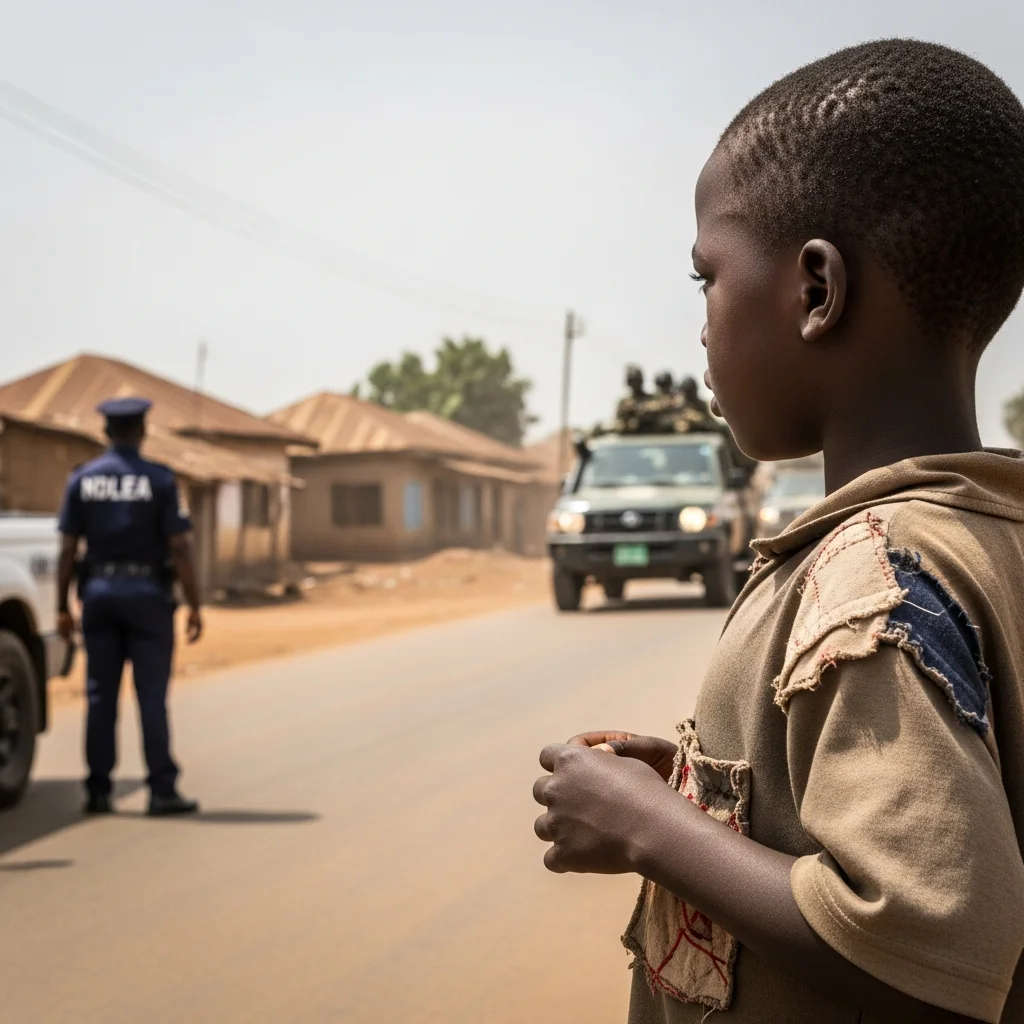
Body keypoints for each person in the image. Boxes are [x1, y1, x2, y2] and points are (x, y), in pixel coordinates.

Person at [533, 39, 1024, 1024]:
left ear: (815, 292)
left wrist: (649, 828)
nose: (702, 326)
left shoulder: (873, 575)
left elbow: (921, 949)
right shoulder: (987, 534)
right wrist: (719, 798)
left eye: (705, 278)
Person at [56, 397, 203, 817]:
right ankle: (161, 791)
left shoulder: (82, 480)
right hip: (147, 597)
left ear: (106, 432)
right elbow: (179, 546)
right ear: (143, 431)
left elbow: (68, 548)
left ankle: (99, 791)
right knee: (151, 695)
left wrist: (62, 606)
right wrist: (195, 604)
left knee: (100, 696)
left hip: (98, 595)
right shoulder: (159, 480)